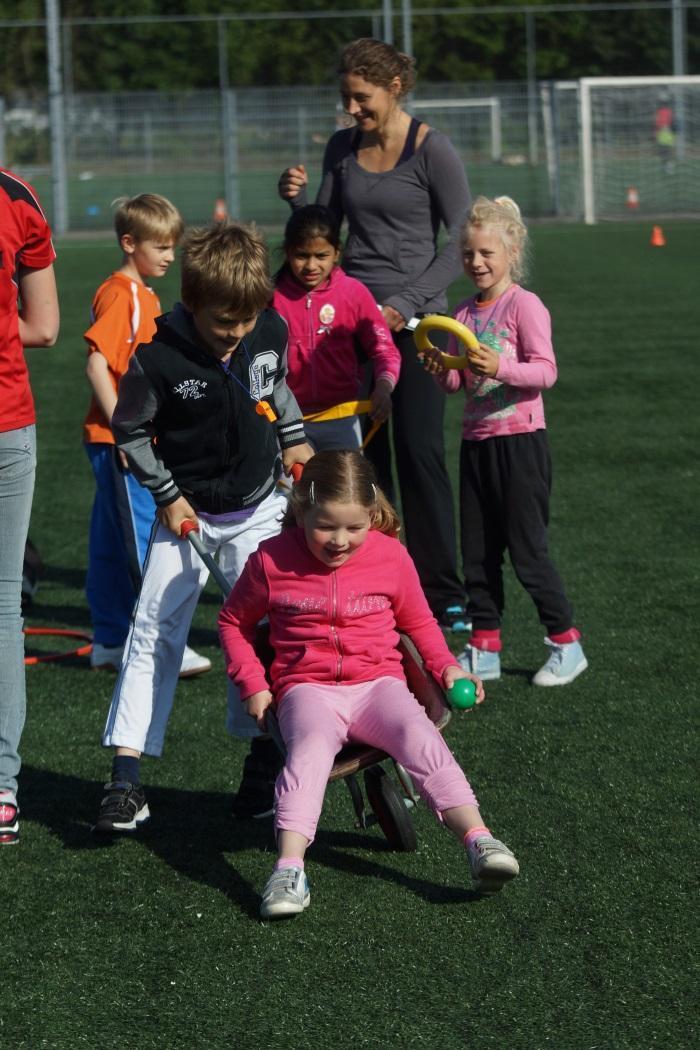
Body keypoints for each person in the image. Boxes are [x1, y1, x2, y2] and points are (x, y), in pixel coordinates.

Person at [219, 450, 520, 919]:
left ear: (373, 514)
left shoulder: (390, 556)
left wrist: (447, 668)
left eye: (354, 528)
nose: (340, 541)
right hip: (308, 688)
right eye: (326, 527)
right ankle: (289, 868)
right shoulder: (271, 561)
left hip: (379, 683)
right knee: (308, 755)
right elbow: (234, 623)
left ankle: (480, 841)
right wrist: (253, 683)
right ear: (301, 510)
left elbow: (418, 622)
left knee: (421, 741)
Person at [93, 221, 315, 834]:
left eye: (244, 323)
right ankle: (125, 780)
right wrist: (166, 495)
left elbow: (277, 389)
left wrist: (294, 443)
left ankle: (261, 767)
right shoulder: (157, 354)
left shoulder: (267, 328)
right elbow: (131, 431)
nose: (235, 336)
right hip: (186, 513)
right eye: (223, 325)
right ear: (191, 304)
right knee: (153, 632)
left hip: (258, 509)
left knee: (265, 631)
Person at [278, 37, 471, 633]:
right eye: (345, 99)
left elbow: (459, 245)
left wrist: (404, 305)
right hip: (351, 323)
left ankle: (445, 593)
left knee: (418, 453)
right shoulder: (341, 147)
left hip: (418, 327)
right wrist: (297, 202)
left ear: (393, 88)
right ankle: (371, 579)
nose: (352, 110)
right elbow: (324, 235)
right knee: (360, 463)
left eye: (360, 98)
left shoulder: (432, 150)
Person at [420, 196, 587, 687]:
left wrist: (501, 367)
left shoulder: (524, 305)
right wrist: (439, 370)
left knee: (527, 550)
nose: (476, 263)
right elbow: (456, 384)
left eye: (487, 253)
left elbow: (546, 372)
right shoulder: (461, 315)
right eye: (469, 254)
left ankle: (566, 642)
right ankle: (485, 645)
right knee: (478, 552)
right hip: (477, 443)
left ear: (512, 251)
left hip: (521, 445)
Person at [82, 193, 209, 677]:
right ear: (129, 242)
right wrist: (125, 436)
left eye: (172, 246)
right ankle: (158, 642)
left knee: (111, 542)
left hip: (119, 441)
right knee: (144, 541)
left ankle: (110, 638)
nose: (169, 256)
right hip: (119, 444)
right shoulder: (122, 295)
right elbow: (97, 364)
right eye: (160, 246)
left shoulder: (146, 295)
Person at [0, 168, 60, 845]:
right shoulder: (18, 195)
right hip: (7, 420)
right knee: (3, 607)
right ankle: (3, 790)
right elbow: (43, 327)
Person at [272, 204, 400, 451]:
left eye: (321, 256)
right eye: (301, 255)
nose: (311, 266)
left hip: (342, 420)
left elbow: (385, 350)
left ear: (336, 253)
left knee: (343, 489)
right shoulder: (270, 298)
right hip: (286, 423)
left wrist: (384, 386)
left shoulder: (354, 293)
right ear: (287, 252)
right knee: (291, 491)